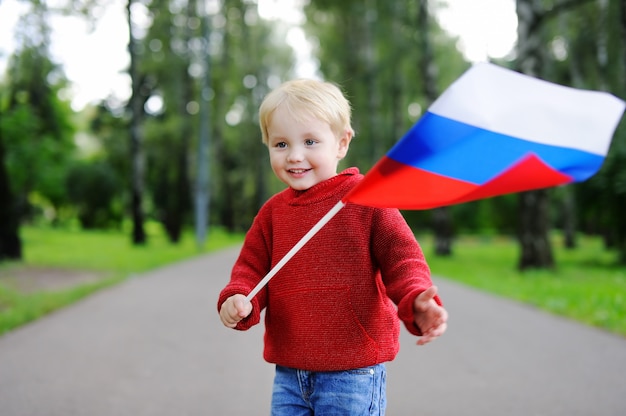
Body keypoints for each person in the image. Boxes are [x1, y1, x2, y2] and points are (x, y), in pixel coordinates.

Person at [218, 79, 448, 415]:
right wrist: (238, 297)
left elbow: (403, 260)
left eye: (310, 141)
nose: (295, 155)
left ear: (341, 143)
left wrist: (416, 299)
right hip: (289, 374)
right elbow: (251, 270)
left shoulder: (367, 199)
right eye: (281, 144)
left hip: (352, 372)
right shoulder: (272, 213)